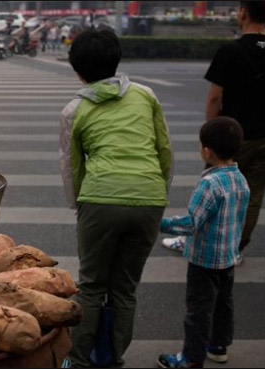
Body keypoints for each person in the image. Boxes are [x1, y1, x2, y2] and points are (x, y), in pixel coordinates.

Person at [59, 29, 172, 368]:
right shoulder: (146, 95)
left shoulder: (74, 109)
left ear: (76, 69)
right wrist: (156, 191)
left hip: (100, 199)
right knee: (125, 288)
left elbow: (72, 167)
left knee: (92, 286)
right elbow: (163, 150)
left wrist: (81, 205)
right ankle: (113, 358)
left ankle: (77, 361)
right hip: (149, 198)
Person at [162, 1, 265, 266]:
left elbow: (214, 98)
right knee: (251, 197)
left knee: (211, 190)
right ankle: (236, 248)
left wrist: (210, 134)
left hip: (232, 135)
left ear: (243, 13)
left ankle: (193, 238)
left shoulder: (231, 51)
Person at [156, 117, 250, 369]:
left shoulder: (209, 183)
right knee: (223, 304)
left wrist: (161, 223)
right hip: (228, 257)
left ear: (206, 150)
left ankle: (190, 358)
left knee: (198, 309)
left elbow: (190, 223)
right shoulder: (241, 179)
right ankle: (218, 346)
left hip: (204, 260)